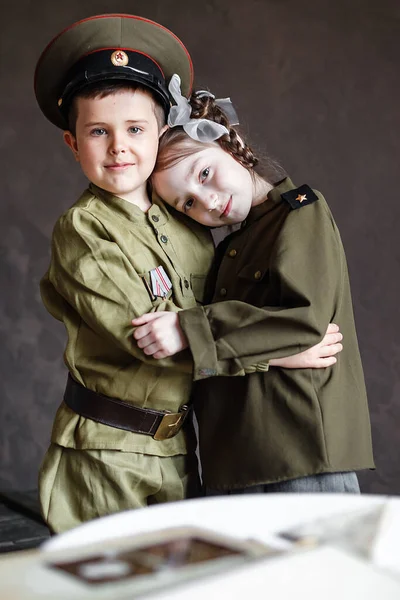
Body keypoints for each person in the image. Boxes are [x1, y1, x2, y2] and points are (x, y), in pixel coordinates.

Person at [34, 15, 342, 532]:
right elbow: (149, 338)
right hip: (108, 451)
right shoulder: (84, 232)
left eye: (135, 129)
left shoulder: (187, 217)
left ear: (161, 132)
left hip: (181, 447)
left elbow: (217, 308)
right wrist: (279, 350)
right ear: (72, 143)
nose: (118, 147)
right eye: (97, 132)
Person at [132, 75, 375, 494]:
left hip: (300, 451)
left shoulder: (299, 213)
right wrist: (270, 354)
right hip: (239, 458)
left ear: (229, 144)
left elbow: (303, 324)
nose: (206, 201)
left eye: (204, 173)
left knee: (316, 562)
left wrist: (187, 329)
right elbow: (253, 346)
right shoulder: (232, 247)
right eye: (187, 202)